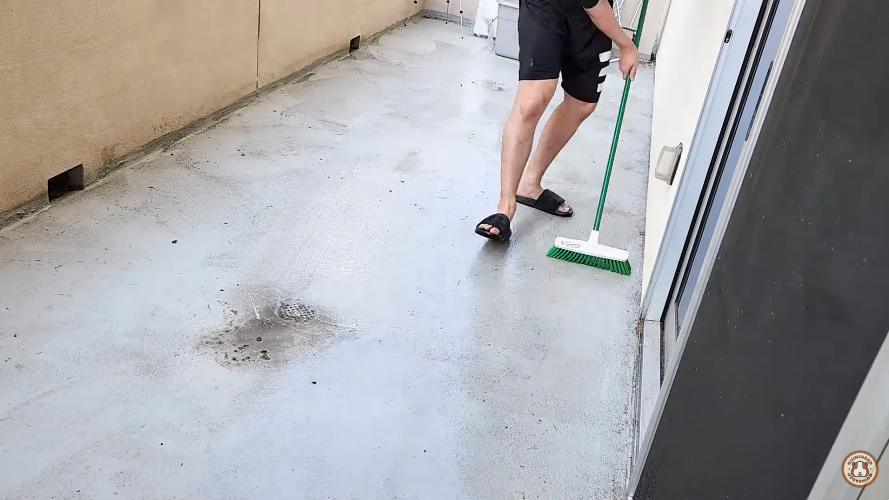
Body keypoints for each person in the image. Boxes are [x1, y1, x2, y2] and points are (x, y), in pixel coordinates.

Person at [475, 0, 640, 241]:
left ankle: (529, 184)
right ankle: (505, 207)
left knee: (582, 103)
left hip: (590, 19)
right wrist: (626, 46)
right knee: (532, 100)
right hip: (545, 6)